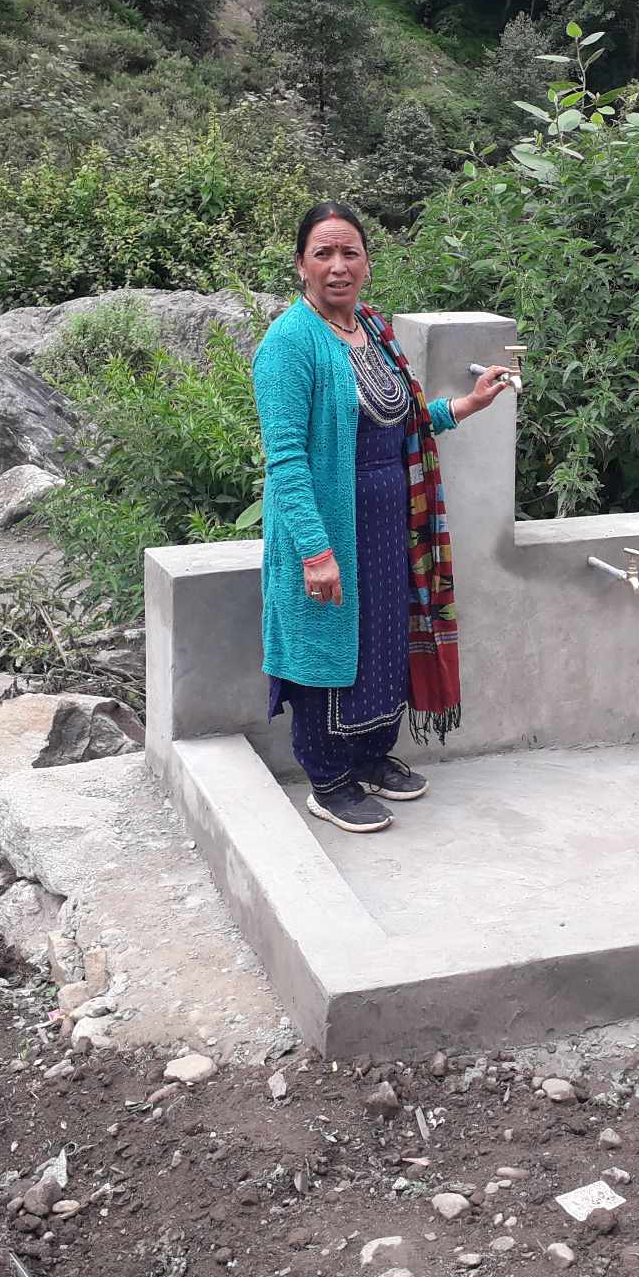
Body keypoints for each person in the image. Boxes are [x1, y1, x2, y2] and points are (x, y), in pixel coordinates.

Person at [253, 202, 515, 833]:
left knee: (383, 642)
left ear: (368, 263)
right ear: (301, 265)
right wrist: (316, 552)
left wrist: (466, 405)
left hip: (392, 526)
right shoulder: (289, 344)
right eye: (323, 253)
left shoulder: (371, 329)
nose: (338, 266)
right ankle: (327, 780)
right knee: (327, 651)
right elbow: (285, 460)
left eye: (350, 253)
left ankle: (370, 757)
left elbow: (402, 422)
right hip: (330, 529)